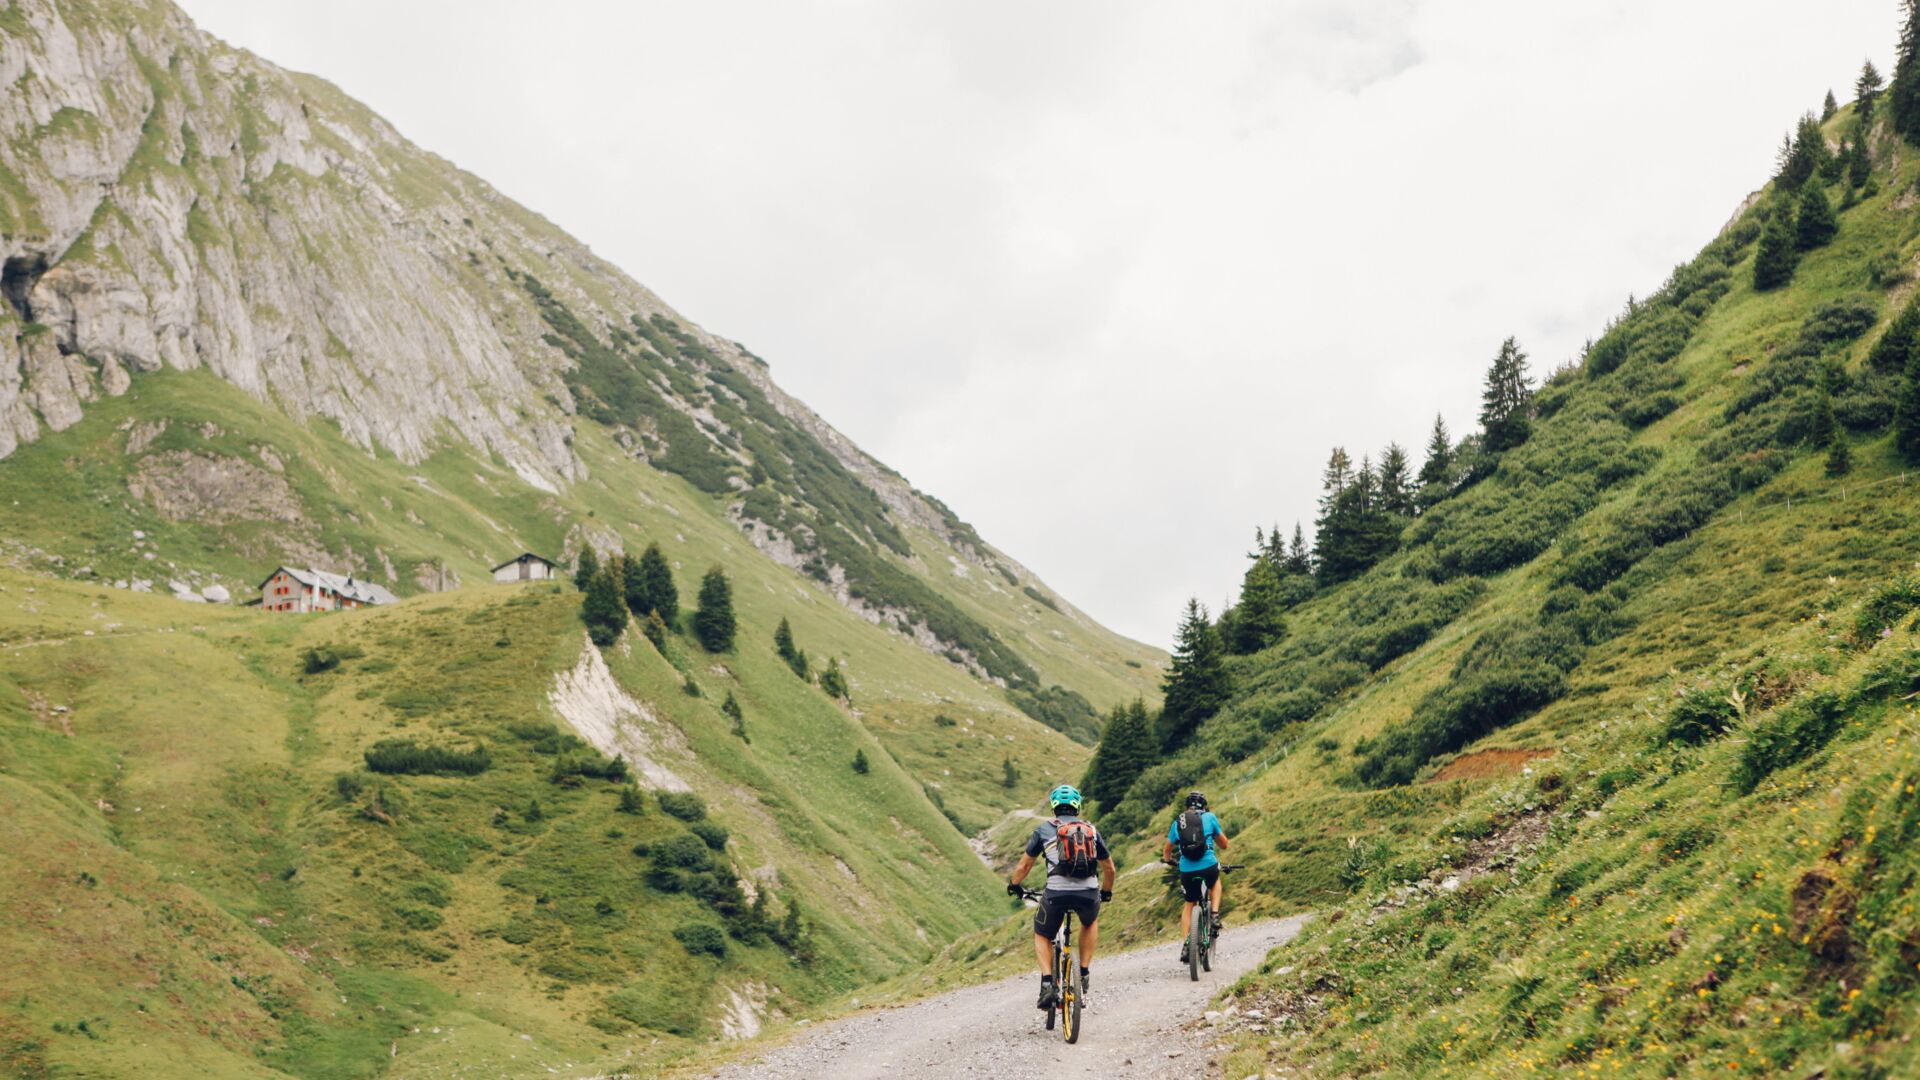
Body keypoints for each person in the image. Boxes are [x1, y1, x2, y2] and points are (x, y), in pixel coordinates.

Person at [1007, 784, 1116, 1010]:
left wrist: (1015, 885)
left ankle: (1047, 983)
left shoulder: (1044, 829)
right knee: (1090, 921)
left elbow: (1024, 865)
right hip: (1088, 893)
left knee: (1041, 933)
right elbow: (1109, 869)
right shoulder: (1091, 830)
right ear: (1077, 806)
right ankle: (1083, 972)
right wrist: (1105, 891)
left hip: (1056, 894)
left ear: (1054, 806)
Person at [1163, 790, 1230, 963]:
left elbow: (1167, 850)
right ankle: (1214, 915)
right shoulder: (1210, 817)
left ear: (1187, 806)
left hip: (1187, 869)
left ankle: (1187, 945)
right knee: (1215, 883)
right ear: (1204, 805)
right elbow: (1224, 844)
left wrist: (1170, 861)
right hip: (1208, 865)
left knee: (1188, 905)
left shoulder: (1179, 821)